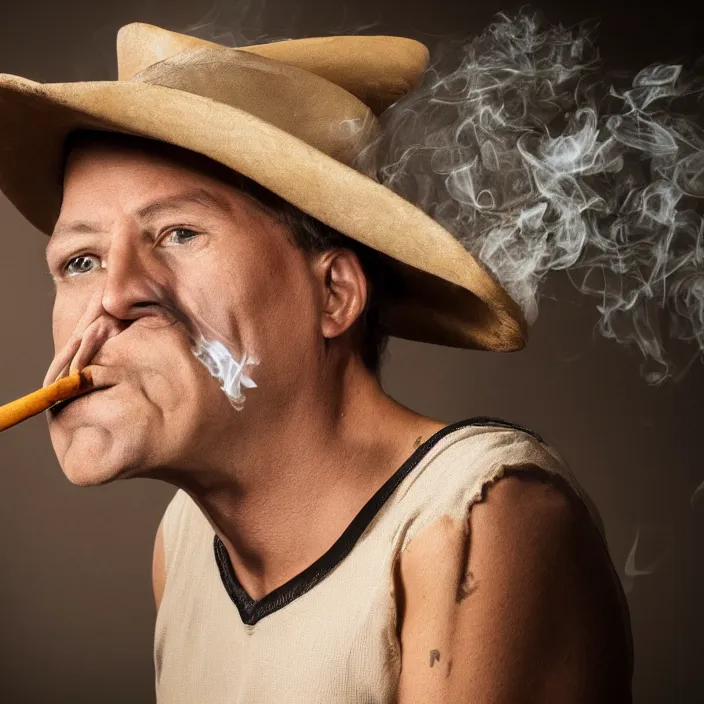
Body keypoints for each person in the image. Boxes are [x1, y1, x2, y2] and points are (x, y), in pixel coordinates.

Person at [0, 21, 633, 703]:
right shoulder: (186, 544)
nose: (116, 294)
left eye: (179, 234)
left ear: (332, 294)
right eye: (81, 260)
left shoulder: (480, 519)